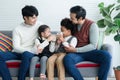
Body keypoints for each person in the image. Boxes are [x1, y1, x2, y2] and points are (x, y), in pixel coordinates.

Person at [63, 6, 111, 80]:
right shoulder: (72, 24)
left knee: (107, 56)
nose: (71, 20)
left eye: (72, 18)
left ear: (80, 18)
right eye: (70, 17)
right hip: (76, 54)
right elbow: (64, 31)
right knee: (67, 59)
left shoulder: (92, 25)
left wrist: (75, 50)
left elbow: (93, 46)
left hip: (89, 52)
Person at [0, 5, 43, 80]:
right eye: (33, 18)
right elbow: (16, 48)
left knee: (26, 54)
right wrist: (29, 50)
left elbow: (47, 36)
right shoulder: (17, 29)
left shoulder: (40, 25)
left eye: (36, 17)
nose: (35, 19)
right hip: (19, 52)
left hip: (31, 53)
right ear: (25, 18)